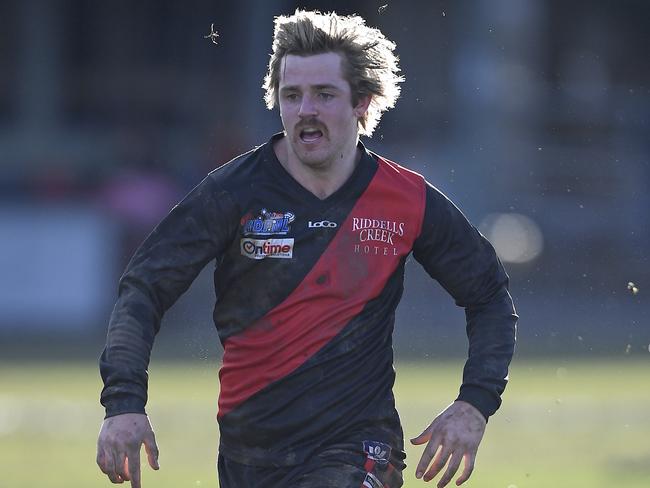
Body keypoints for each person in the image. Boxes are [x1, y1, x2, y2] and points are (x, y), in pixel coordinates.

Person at [96, 9, 517, 488]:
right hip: (249, 456)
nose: (305, 110)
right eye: (291, 95)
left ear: (363, 101)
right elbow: (143, 287)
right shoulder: (232, 193)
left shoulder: (407, 199)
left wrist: (474, 403)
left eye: (324, 94)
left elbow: (489, 296)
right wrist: (124, 403)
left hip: (359, 447)